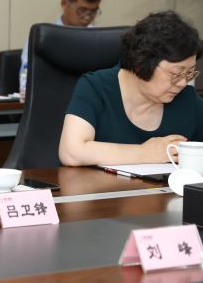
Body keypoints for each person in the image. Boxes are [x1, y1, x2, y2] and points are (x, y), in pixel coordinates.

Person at [59, 10, 203, 166]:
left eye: (189, 73)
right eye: (176, 73)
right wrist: (144, 153)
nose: (183, 83)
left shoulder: (188, 99)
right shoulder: (96, 88)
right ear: (141, 63)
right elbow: (71, 152)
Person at [20, 0, 105, 68]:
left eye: (94, 11)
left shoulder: (99, 39)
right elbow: (27, 76)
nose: (88, 17)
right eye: (82, 10)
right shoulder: (41, 38)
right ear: (64, 3)